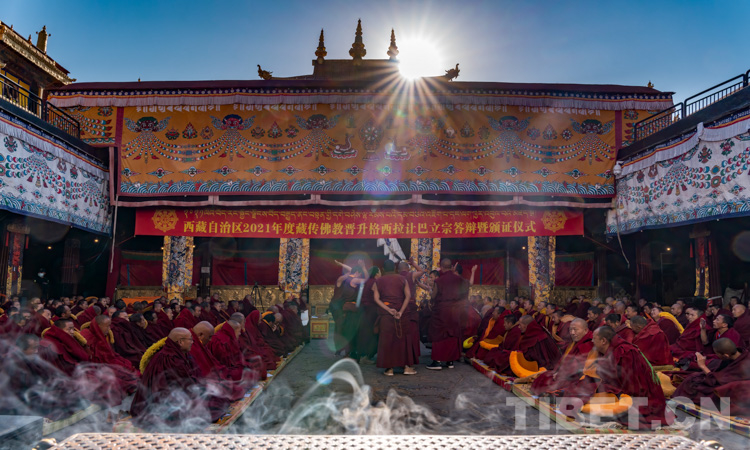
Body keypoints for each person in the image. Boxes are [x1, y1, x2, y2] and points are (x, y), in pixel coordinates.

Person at [563, 326, 671, 429]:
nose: (592, 341)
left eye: (594, 339)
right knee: (582, 390)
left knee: (590, 400)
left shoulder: (625, 352)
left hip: (639, 397)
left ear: (603, 341)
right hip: (619, 390)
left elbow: (633, 385)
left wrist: (610, 390)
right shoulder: (609, 351)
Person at [129, 327, 231, 429]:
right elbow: (182, 386)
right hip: (166, 402)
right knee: (210, 407)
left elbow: (194, 376)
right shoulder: (171, 359)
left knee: (217, 398)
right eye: (190, 339)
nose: (192, 342)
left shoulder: (182, 354)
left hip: (182, 394)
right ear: (180, 342)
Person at [673, 338, 750, 410]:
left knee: (699, 390)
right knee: (694, 377)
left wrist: (703, 366)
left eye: (717, 353)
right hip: (723, 382)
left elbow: (717, 381)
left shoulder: (742, 366)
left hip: (734, 392)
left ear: (726, 355)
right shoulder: (739, 354)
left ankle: (680, 401)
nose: (716, 355)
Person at [372, 259, 416, 376]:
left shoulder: (379, 281)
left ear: (383, 269)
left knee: (387, 340)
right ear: (395, 268)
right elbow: (408, 296)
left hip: (387, 315)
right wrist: (400, 311)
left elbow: (376, 299)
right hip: (402, 314)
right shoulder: (402, 279)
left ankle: (389, 369)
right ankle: (406, 367)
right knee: (403, 339)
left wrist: (388, 310)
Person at [531, 318, 593, 395]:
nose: (572, 333)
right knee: (544, 376)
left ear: (585, 330)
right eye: (570, 330)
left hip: (577, 377)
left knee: (550, 384)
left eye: (575, 329)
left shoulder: (588, 344)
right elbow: (565, 359)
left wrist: (560, 374)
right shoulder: (575, 341)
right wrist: (557, 372)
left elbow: (577, 367)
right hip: (567, 374)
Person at [427, 258, 470, 370]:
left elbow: (434, 295)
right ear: (451, 267)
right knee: (452, 334)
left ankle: (437, 362)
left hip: (442, 311)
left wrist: (431, 298)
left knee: (439, 334)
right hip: (455, 311)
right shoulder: (459, 280)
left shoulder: (439, 281)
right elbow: (466, 289)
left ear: (441, 267)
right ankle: (450, 361)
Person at [483, 315, 560, 375]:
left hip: (538, 365)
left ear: (525, 325)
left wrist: (516, 354)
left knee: (505, 359)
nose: (519, 327)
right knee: (501, 354)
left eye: (520, 325)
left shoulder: (538, 336)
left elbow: (535, 357)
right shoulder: (530, 332)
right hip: (530, 359)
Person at [80, 315, 139, 393]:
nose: (109, 329)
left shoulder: (100, 335)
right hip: (97, 368)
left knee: (127, 366)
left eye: (109, 326)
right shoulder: (87, 337)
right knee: (120, 378)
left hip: (107, 363)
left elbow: (109, 354)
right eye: (107, 326)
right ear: (98, 326)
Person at [207, 319, 260, 384]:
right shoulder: (220, 342)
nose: (240, 334)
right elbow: (224, 363)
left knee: (252, 369)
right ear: (233, 331)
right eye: (239, 331)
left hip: (232, 367)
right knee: (247, 374)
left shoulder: (230, 338)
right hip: (224, 370)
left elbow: (237, 357)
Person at [355, 266, 381, 363]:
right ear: (376, 273)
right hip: (371, 310)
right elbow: (377, 297)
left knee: (363, 332)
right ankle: (366, 356)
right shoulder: (374, 282)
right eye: (379, 272)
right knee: (371, 333)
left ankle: (361, 355)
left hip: (363, 309)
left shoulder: (365, 282)